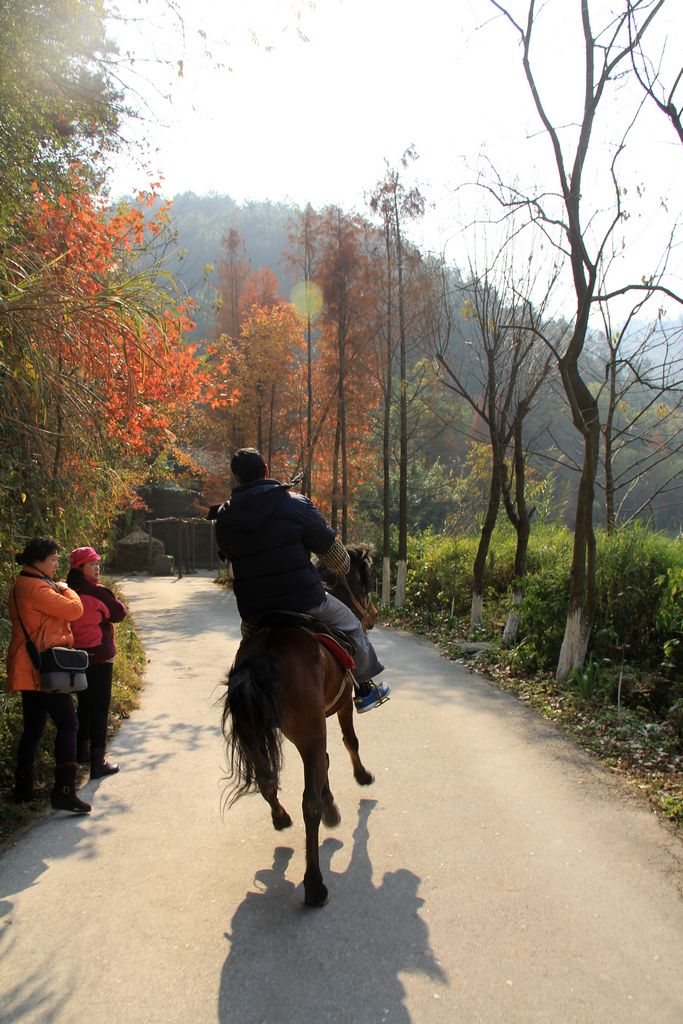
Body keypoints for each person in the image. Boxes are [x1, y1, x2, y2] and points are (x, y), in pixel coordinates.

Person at [211, 447, 390, 713]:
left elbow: (228, 557)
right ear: (267, 471)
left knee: (246, 650)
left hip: (255, 611)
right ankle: (365, 689)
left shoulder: (224, 517)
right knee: (352, 625)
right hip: (304, 601)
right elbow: (338, 560)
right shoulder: (295, 503)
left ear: (237, 479)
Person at [6, 537, 91, 813]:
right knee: (68, 722)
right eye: (53, 559)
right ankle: (64, 791)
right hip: (43, 667)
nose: (57, 565)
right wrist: (67, 588)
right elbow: (74, 610)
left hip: (31, 664)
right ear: (38, 561)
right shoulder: (36, 588)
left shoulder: (27, 583)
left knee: (34, 726)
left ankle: (23, 788)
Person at [66, 546, 127, 779]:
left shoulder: (69, 591)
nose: (97, 568)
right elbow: (118, 614)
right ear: (79, 568)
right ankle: (98, 761)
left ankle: (81, 751)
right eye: (91, 564)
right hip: (99, 657)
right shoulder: (97, 592)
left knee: (85, 704)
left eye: (97, 564)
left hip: (76, 655)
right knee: (100, 707)